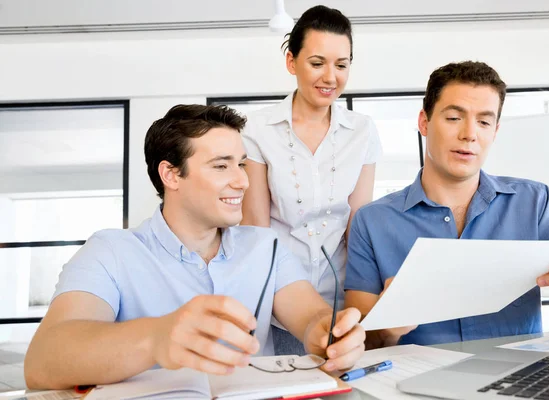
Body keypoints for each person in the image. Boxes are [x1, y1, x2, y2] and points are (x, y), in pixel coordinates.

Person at [24, 104, 365, 389]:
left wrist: (330, 333)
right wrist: (157, 338)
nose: (242, 180)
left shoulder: (267, 246)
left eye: (241, 164)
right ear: (171, 175)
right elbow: (43, 361)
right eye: (221, 166)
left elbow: (310, 317)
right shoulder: (110, 251)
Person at [344, 61, 549, 349]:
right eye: (454, 118)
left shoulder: (534, 203)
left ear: (495, 131)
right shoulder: (372, 221)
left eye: (484, 121)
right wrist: (388, 327)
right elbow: (360, 346)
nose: (470, 133)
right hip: (416, 385)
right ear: (424, 122)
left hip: (518, 383)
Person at [241, 5, 382, 356]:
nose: (330, 77)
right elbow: (256, 229)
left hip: (342, 302)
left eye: (341, 65)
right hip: (279, 300)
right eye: (317, 63)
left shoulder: (362, 131)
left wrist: (363, 302)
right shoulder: (258, 130)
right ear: (292, 62)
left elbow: (358, 223)